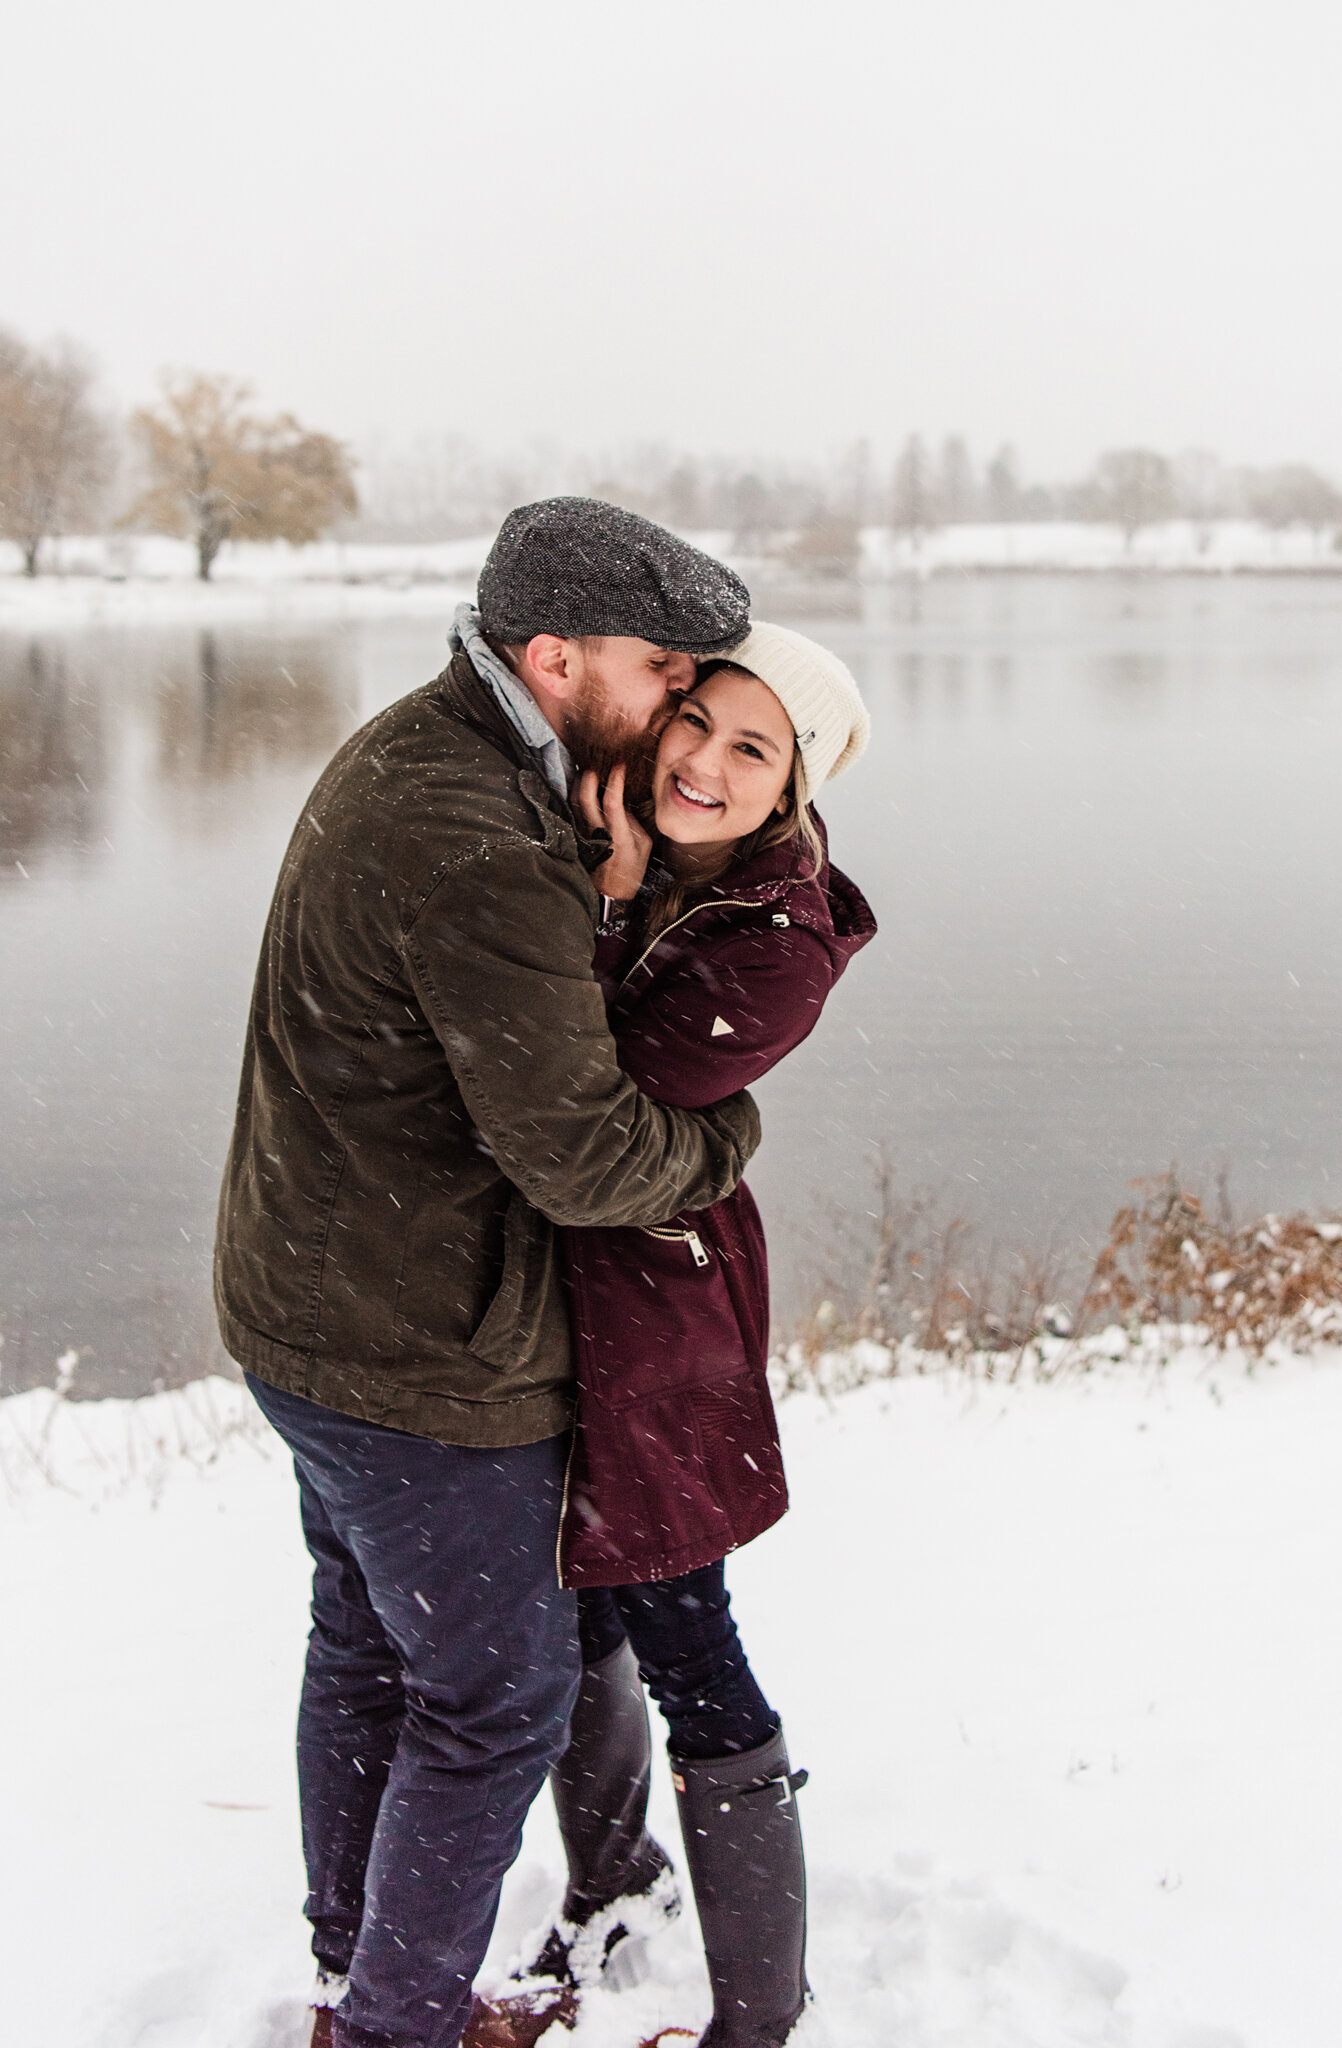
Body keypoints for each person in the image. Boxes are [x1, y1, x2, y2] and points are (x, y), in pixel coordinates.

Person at [212, 498, 767, 2048]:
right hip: (418, 1356)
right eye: (665, 667)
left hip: (310, 1312)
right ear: (554, 653)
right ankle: (393, 2023)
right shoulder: (476, 838)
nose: (682, 702)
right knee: (496, 1695)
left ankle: (356, 1969)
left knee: (370, 1645)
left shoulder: (432, 753)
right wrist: (725, 1142)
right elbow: (585, 1156)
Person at [471, 624, 874, 2048]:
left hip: (657, 1324)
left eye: (751, 750)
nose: (700, 761)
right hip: (546, 1311)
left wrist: (608, 891)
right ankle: (615, 1882)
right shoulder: (605, 822)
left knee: (683, 1627)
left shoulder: (780, 940)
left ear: (791, 792)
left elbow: (572, 1094)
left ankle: (762, 2014)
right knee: (579, 1608)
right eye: (696, 719)